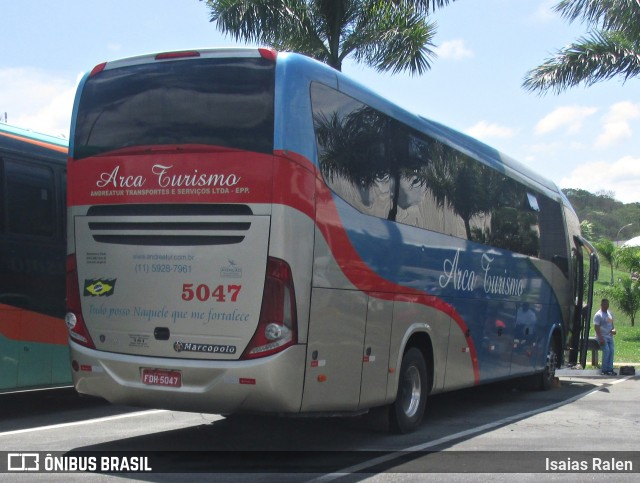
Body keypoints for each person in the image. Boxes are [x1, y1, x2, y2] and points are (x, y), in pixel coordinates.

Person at [594, 299, 617, 375]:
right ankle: (604, 369)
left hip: (609, 336)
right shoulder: (598, 315)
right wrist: (600, 338)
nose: (606, 306)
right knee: (606, 351)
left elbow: (612, 325)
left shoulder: (609, 314)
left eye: (607, 304)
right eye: (605, 304)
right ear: (601, 305)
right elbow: (596, 327)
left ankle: (610, 369)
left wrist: (613, 330)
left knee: (611, 351)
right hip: (602, 337)